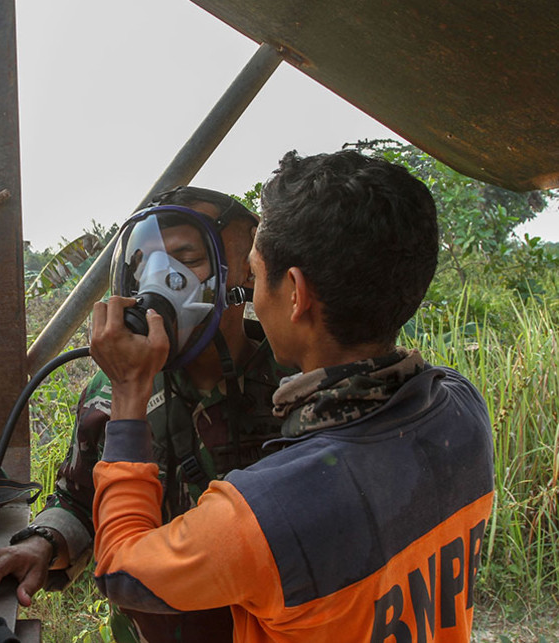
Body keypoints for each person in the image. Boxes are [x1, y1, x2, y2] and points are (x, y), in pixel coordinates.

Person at [89, 150, 494, 642]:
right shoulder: (461, 409)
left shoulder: (267, 512)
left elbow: (121, 572)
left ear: (297, 293)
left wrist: (130, 392)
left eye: (255, 275)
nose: (252, 293)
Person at [0, 187, 291, 642]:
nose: (159, 278)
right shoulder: (108, 388)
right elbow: (78, 501)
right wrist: (40, 543)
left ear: (246, 269)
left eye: (186, 256)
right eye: (143, 263)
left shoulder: (293, 384)